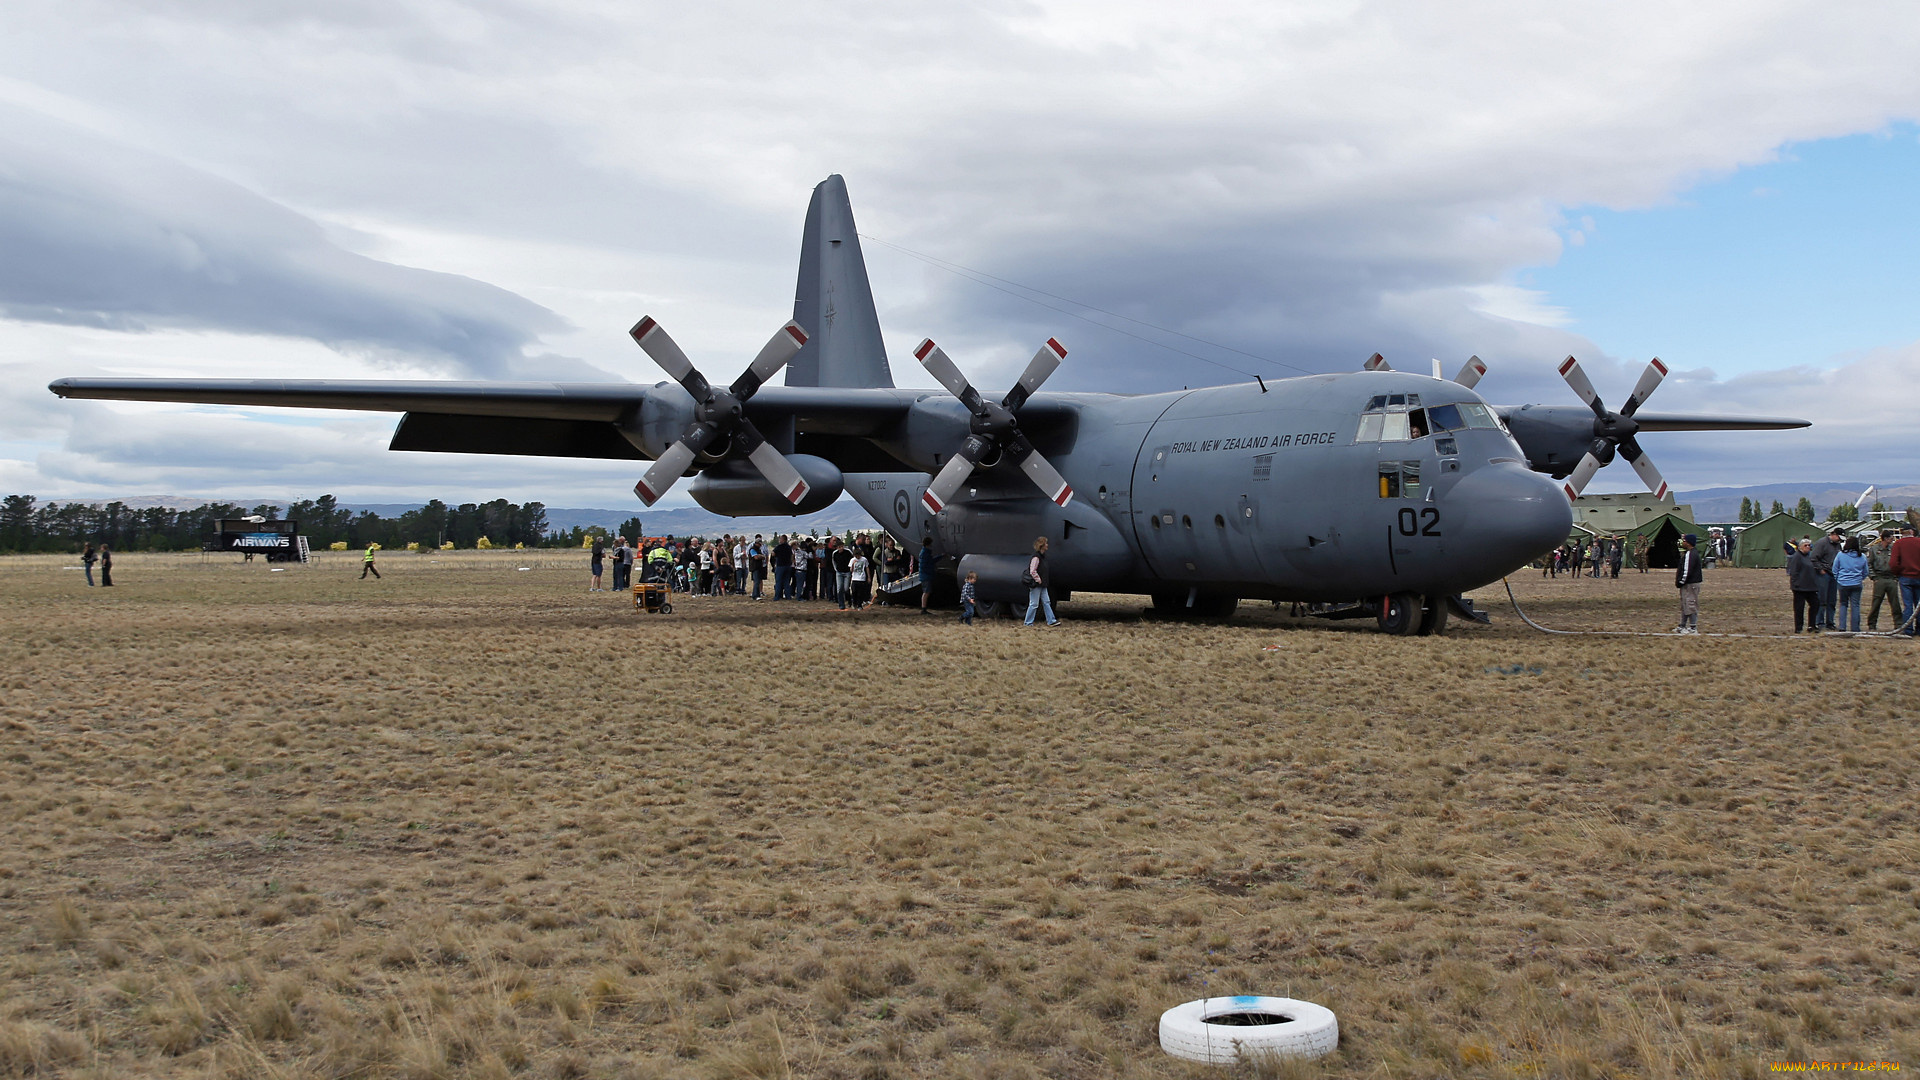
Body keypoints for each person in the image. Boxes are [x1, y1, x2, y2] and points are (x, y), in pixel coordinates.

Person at [1867, 530, 1905, 631]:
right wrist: (1873, 577)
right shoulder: (1874, 549)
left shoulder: (1893, 549)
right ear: (1885, 538)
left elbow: (1898, 562)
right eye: (1891, 538)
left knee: (1895, 603)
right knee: (1876, 602)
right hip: (1879, 578)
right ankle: (1872, 624)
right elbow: (1869, 564)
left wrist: (1896, 577)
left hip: (1891, 578)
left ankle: (1898, 624)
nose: (1892, 540)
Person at [1832, 537, 1868, 633]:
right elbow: (1865, 572)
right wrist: (1860, 578)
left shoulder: (1840, 555)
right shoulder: (1862, 556)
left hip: (1843, 583)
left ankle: (1842, 626)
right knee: (1855, 605)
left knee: (1843, 604)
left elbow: (1835, 569)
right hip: (1856, 583)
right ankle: (1855, 628)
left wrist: (1838, 578)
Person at [1809, 526, 1841, 630]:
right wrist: (1820, 570)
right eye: (1839, 537)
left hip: (1834, 575)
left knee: (1832, 600)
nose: (1840, 540)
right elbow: (1813, 558)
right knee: (1822, 600)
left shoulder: (1838, 545)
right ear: (1834, 534)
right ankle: (1820, 622)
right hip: (1823, 575)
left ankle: (1830, 622)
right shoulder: (1821, 543)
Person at [1787, 537, 1821, 633]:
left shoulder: (1809, 557)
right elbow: (1794, 572)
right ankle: (1798, 628)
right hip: (1799, 587)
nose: (1807, 547)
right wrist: (1795, 584)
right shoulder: (1796, 557)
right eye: (1805, 545)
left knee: (1815, 604)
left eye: (1809, 545)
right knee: (1799, 608)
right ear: (1800, 547)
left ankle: (1812, 625)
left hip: (1810, 587)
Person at [1892, 523, 1920, 637]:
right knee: (1918, 605)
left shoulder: (1898, 544)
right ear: (1912, 532)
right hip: (1919, 577)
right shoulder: (1919, 542)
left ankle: (1907, 630)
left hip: (1905, 577)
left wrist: (1898, 572)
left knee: (1908, 605)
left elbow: (1893, 563)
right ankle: (1919, 630)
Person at [1024, 535, 1059, 627]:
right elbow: (1032, 570)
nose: (1047, 545)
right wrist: (1038, 580)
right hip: (1037, 585)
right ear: (1042, 545)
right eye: (1046, 543)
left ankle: (1051, 620)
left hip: (1042, 585)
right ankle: (1028, 622)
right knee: (1034, 604)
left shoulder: (1042, 557)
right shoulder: (1036, 558)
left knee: (1047, 602)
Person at [1673, 533, 1702, 634]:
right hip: (1689, 583)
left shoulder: (1690, 554)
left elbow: (1687, 570)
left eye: (1684, 541)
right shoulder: (1690, 553)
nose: (1683, 542)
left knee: (1690, 603)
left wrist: (1681, 582)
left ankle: (1693, 627)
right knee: (1685, 604)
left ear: (1689, 543)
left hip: (1691, 584)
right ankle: (1682, 626)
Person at [847, 544, 871, 609]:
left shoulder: (864, 559)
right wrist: (853, 564)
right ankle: (854, 603)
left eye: (858, 555)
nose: (857, 557)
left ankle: (859, 605)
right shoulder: (852, 560)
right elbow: (851, 570)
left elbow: (867, 568)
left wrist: (868, 577)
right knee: (854, 592)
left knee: (860, 593)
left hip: (862, 578)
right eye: (856, 556)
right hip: (855, 578)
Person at [918, 536, 936, 614]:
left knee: (926, 592)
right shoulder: (925, 553)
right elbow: (929, 563)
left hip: (925, 575)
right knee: (926, 592)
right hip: (926, 575)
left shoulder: (924, 552)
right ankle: (923, 608)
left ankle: (924, 608)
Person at [771, 535, 792, 600]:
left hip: (780, 566)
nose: (779, 540)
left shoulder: (779, 547)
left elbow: (773, 553)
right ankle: (788, 596)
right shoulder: (789, 547)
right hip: (788, 566)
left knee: (778, 582)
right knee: (786, 582)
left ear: (783, 540)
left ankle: (777, 597)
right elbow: (791, 555)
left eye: (780, 539)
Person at [748, 535, 767, 599]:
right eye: (759, 544)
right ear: (756, 543)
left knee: (758, 581)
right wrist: (760, 556)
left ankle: (756, 594)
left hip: (759, 567)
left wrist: (760, 556)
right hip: (755, 567)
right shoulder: (752, 549)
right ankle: (755, 595)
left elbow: (764, 556)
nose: (760, 545)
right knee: (756, 582)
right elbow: (756, 557)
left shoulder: (758, 550)